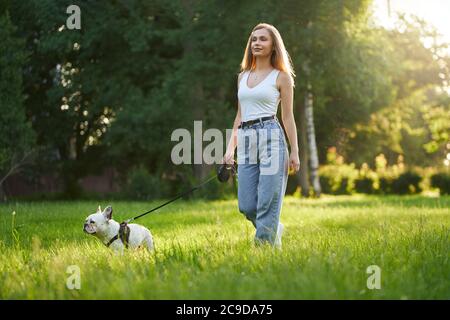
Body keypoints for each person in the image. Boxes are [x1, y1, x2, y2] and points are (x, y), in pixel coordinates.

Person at [223, 23, 300, 248]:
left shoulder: (282, 77)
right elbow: (239, 116)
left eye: (263, 39)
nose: (257, 43)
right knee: (246, 205)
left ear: (273, 45)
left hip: (271, 136)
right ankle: (273, 227)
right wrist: (230, 149)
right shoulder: (242, 77)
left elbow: (288, 118)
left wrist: (294, 150)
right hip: (246, 137)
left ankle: (263, 254)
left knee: (268, 202)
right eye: (254, 39)